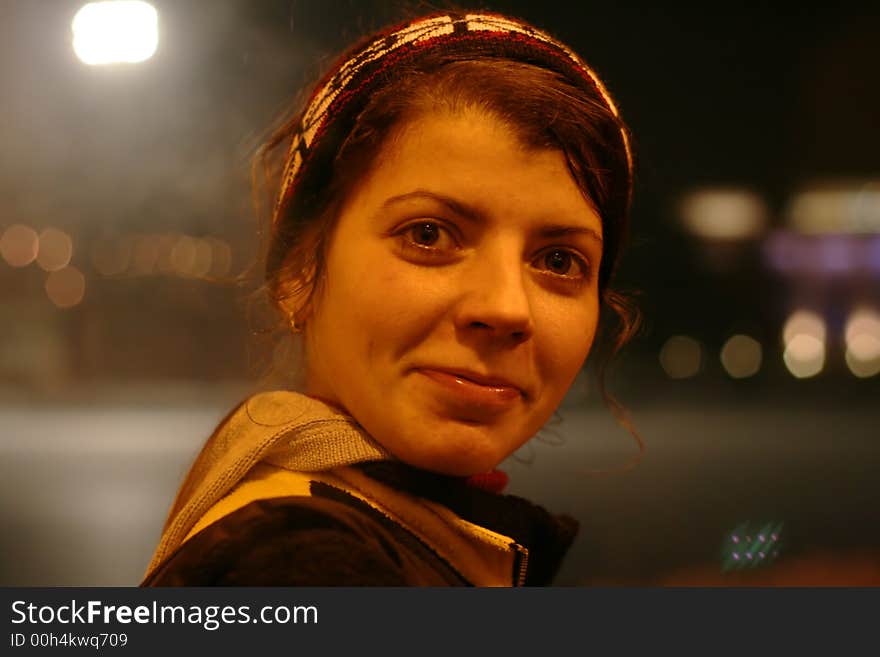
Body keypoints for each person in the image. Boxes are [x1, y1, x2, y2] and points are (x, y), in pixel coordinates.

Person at [142, 10, 638, 586]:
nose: (506, 308)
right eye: (428, 234)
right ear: (300, 269)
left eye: (558, 261)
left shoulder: (416, 539)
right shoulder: (302, 568)